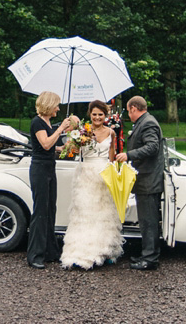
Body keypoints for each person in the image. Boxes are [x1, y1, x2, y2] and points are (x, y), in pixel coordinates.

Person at [60, 100, 124, 270]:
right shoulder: (82, 131)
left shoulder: (111, 133)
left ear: (105, 116)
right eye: (94, 114)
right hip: (86, 175)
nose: (97, 117)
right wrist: (77, 141)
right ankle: (80, 252)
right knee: (85, 213)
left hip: (104, 177)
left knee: (103, 214)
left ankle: (103, 251)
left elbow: (111, 155)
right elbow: (71, 150)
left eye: (100, 114)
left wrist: (114, 173)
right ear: (90, 115)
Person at [115, 96, 165, 271]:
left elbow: (152, 147)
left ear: (134, 108)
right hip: (145, 179)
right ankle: (146, 253)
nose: (129, 114)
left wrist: (129, 155)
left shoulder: (148, 123)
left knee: (149, 220)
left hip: (149, 179)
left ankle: (150, 259)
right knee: (145, 219)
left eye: (129, 111)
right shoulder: (145, 122)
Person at [27, 91, 75, 269]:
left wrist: (63, 147)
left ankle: (49, 250)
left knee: (50, 209)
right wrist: (61, 128)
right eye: (56, 105)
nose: (58, 108)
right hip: (39, 169)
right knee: (40, 211)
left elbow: (50, 147)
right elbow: (45, 143)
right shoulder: (37, 122)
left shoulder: (46, 122)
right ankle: (35, 255)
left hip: (49, 168)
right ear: (48, 105)